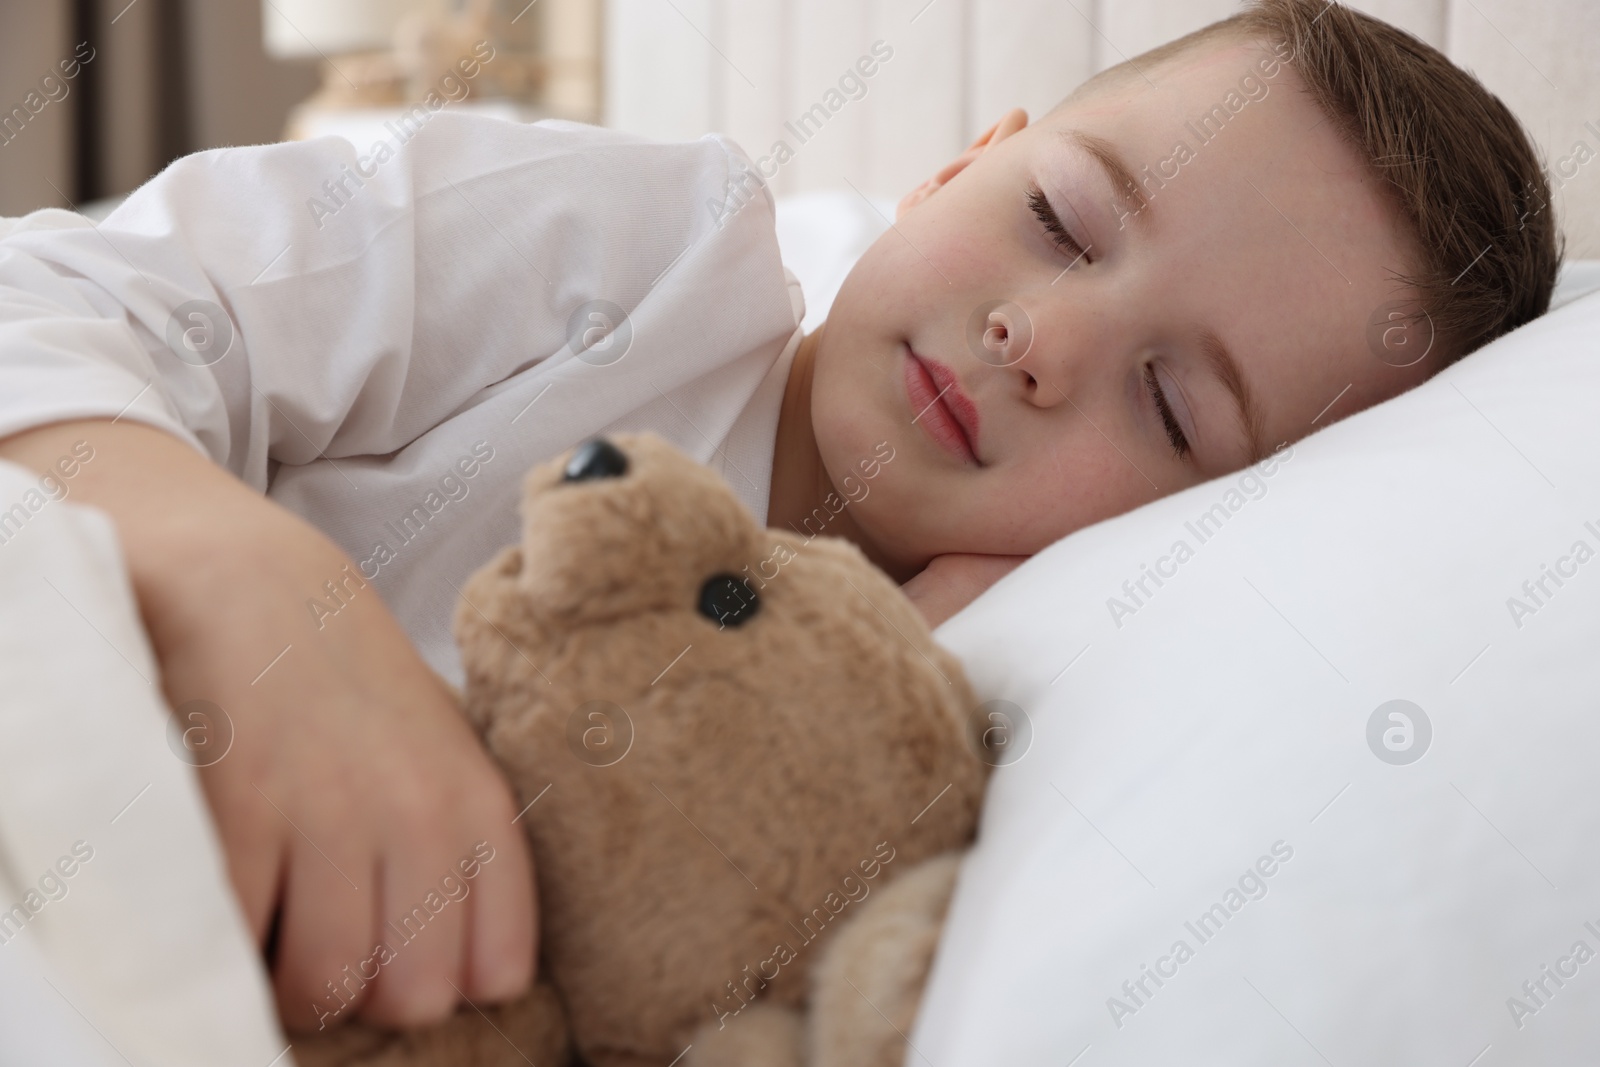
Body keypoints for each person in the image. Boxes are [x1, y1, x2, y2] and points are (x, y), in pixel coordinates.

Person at [0, 0, 1557, 1036]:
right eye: (1060, 223)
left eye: (1169, 407)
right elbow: (55, 290)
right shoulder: (642, 260)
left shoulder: (937, 741)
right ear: (967, 162)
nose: (1044, 340)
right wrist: (247, 581)